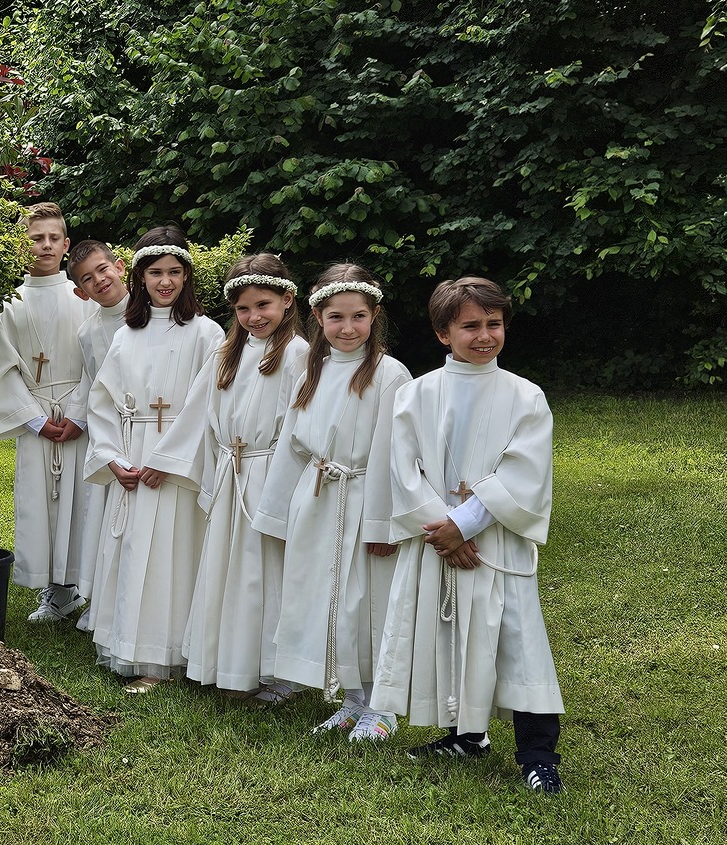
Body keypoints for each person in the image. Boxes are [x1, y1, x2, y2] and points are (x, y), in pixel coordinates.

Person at [370, 277, 565, 793]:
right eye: (470, 326)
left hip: (494, 543)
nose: (485, 336)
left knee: (516, 642)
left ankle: (538, 752)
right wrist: (443, 530)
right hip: (438, 542)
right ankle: (465, 734)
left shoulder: (526, 396)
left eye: (494, 324)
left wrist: (464, 525)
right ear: (442, 333)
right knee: (449, 634)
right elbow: (402, 469)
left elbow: (526, 473)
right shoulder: (415, 395)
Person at [252, 264, 410, 741]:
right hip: (318, 499)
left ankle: (382, 706)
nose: (347, 328)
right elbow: (292, 444)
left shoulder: (389, 374)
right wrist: (279, 510)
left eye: (358, 317)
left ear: (374, 315)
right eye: (336, 317)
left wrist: (385, 524)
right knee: (329, 601)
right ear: (318, 318)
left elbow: (395, 453)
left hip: (364, 502)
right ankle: (352, 698)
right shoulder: (312, 369)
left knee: (367, 601)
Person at [147, 254, 309, 697]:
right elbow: (200, 414)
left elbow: (298, 430)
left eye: (263, 305)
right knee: (225, 569)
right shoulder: (226, 353)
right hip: (230, 471)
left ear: (287, 301)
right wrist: (176, 463)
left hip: (268, 472)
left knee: (262, 572)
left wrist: (279, 490)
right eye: (243, 308)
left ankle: (274, 674)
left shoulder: (298, 355)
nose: (254, 317)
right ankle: (224, 662)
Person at [84, 225, 225, 693]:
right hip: (133, 456)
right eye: (155, 273)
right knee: (135, 551)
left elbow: (209, 402)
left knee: (175, 554)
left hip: (179, 464)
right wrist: (111, 457)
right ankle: (137, 648)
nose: (165, 282)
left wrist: (168, 459)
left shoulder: (207, 333)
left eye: (174, 272)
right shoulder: (127, 333)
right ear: (140, 278)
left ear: (187, 277)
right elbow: (101, 400)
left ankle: (178, 652)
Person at [0, 202, 91, 623]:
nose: (44, 246)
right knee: (40, 503)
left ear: (66, 245)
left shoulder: (85, 297)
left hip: (80, 417)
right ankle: (54, 590)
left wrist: (79, 414)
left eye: (52, 238)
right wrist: (35, 420)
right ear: (21, 245)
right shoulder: (7, 303)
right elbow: (1, 369)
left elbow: (99, 361)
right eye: (35, 238)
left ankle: (83, 586)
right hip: (36, 417)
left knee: (82, 501)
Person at [68, 239, 129, 632]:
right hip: (109, 435)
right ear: (80, 292)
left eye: (103, 270)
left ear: (120, 267)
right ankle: (104, 600)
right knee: (106, 519)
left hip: (150, 427)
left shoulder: (153, 314)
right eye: (88, 279)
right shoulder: (88, 332)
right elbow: (91, 385)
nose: (99, 281)